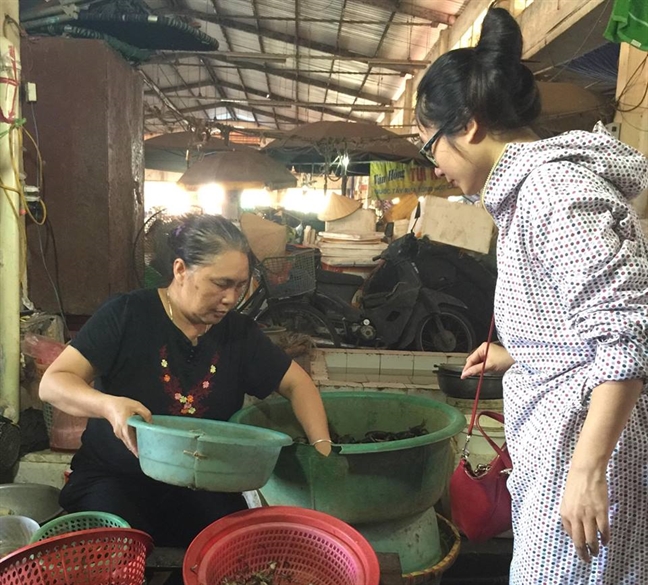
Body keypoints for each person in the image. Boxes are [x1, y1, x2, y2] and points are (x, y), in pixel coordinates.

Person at [416, 7, 648, 585]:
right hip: (563, 448)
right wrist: (520, 352)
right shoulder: (528, 194)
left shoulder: (553, 190)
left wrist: (589, 469)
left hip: (586, 451)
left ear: (468, 125)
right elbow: (579, 323)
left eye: (430, 147)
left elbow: (628, 332)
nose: (435, 166)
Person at [39, 213, 332, 549]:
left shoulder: (239, 334)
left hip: (205, 482)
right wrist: (109, 405)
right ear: (180, 270)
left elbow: (298, 384)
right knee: (119, 551)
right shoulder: (127, 315)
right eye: (220, 284)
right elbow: (53, 383)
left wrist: (322, 450)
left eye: (240, 285)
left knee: (236, 553)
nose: (231, 298)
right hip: (116, 478)